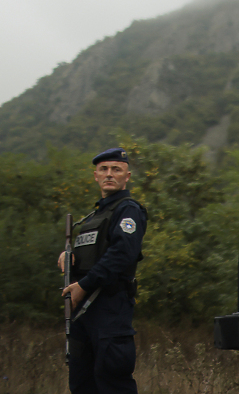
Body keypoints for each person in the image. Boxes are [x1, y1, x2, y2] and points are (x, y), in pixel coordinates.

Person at [58, 147, 147, 394]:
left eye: (116, 169)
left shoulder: (128, 209)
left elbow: (121, 254)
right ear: (95, 175)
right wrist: (70, 256)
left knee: (112, 382)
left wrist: (84, 286)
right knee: (82, 383)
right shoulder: (93, 217)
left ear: (127, 176)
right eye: (104, 169)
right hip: (83, 313)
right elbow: (94, 253)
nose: (109, 174)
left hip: (110, 308)